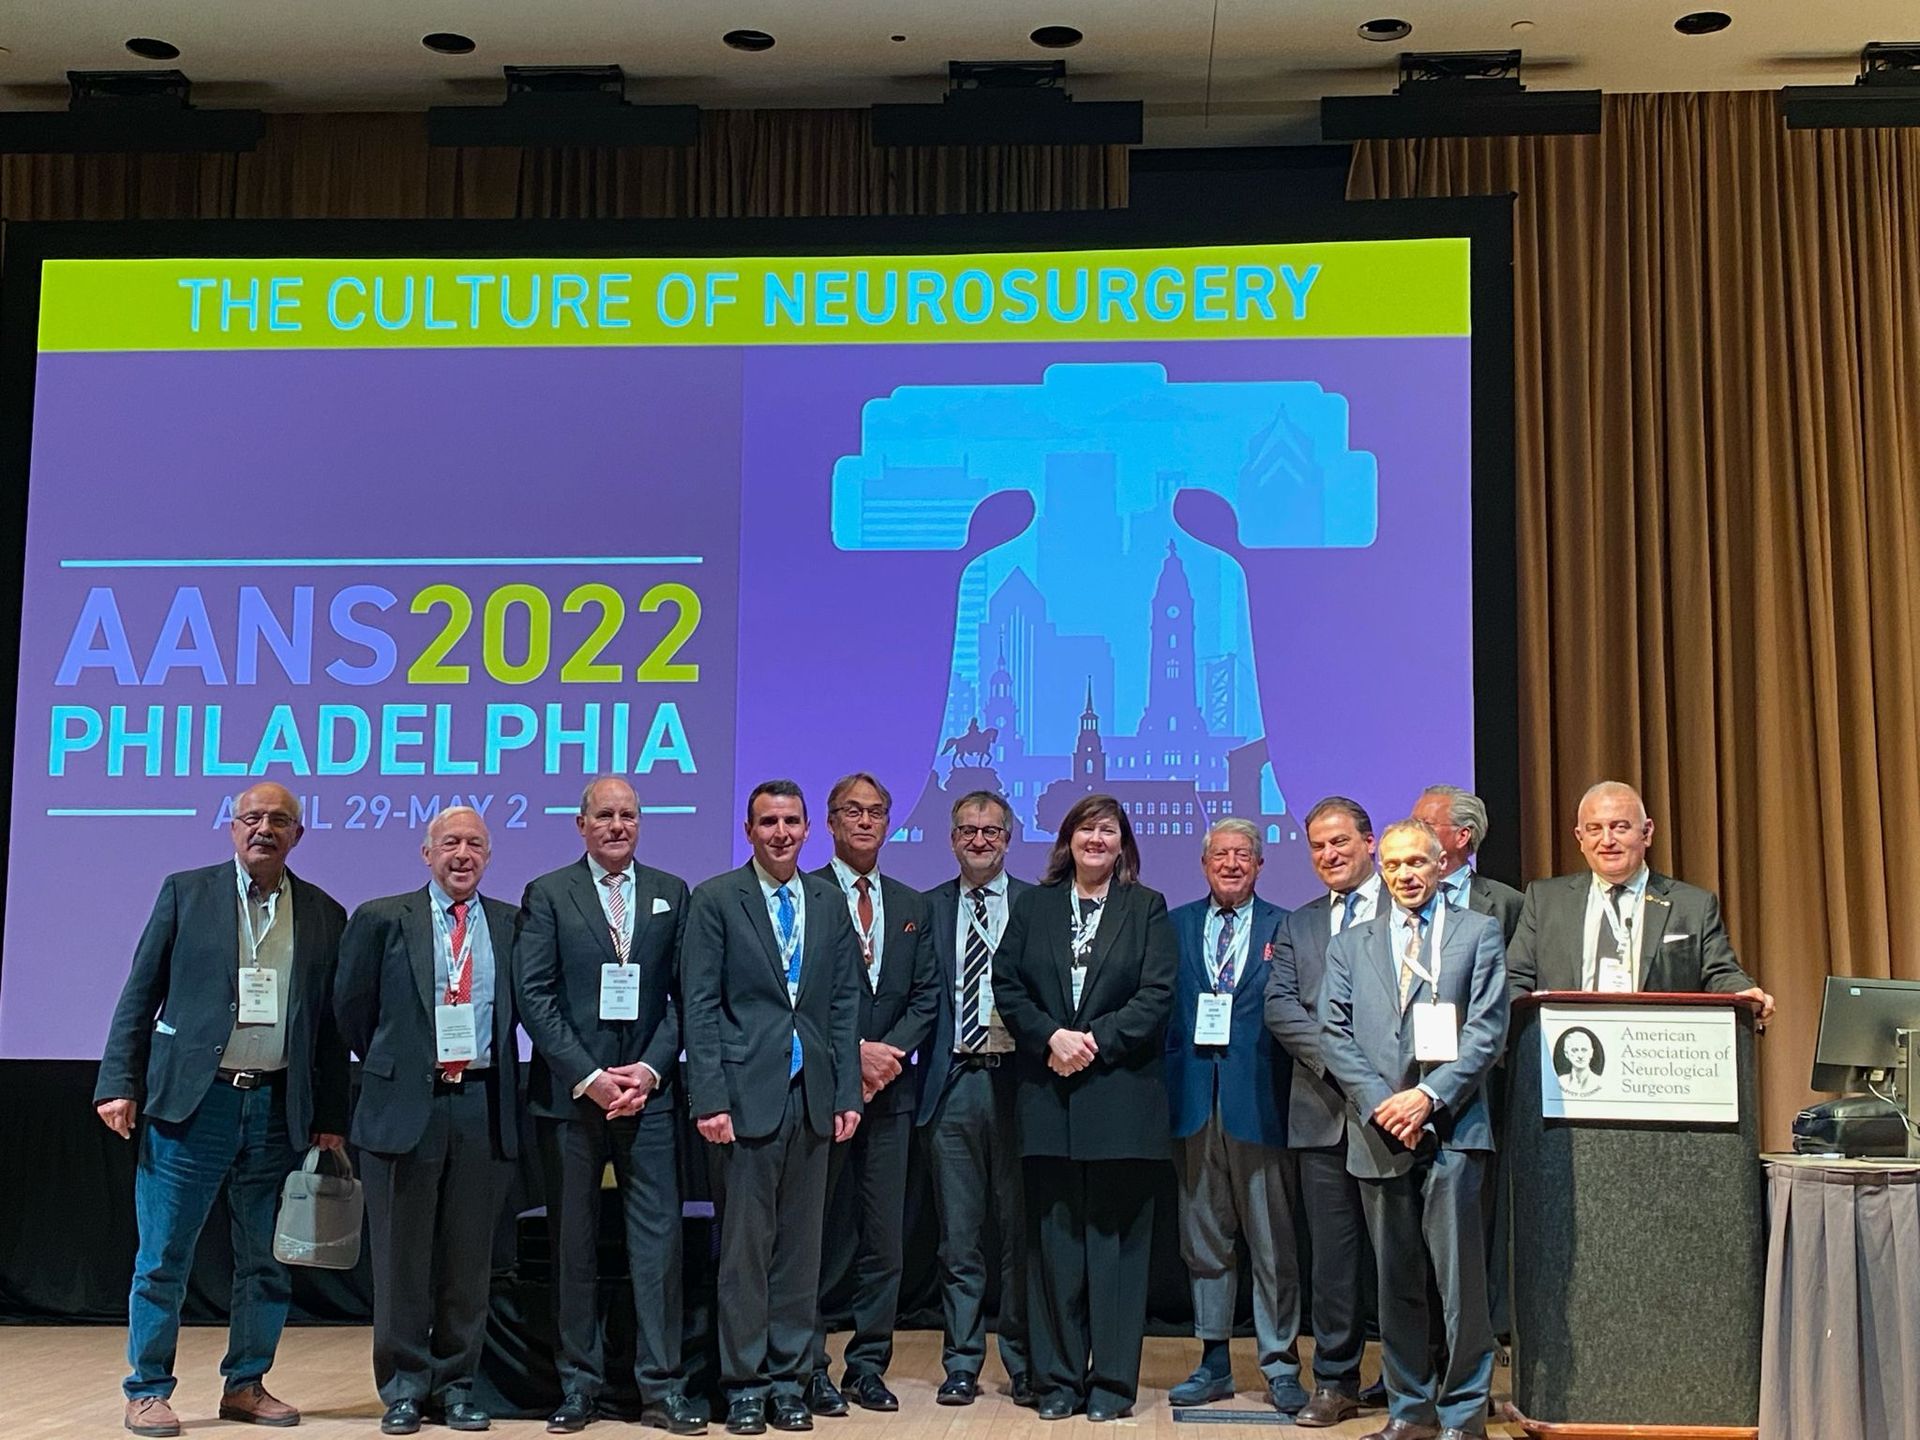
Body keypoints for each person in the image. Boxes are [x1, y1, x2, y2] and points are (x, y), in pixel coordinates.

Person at [95, 783, 349, 1440]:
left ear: (299, 834)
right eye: (253, 818)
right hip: (192, 1102)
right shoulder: (187, 892)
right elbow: (139, 993)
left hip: (277, 1107)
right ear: (232, 828)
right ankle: (147, 1389)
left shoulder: (324, 912)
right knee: (164, 1255)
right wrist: (117, 1082)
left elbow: (327, 1029)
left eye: (279, 820)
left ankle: (247, 1384)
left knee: (266, 1259)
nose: (264, 828)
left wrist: (330, 1112)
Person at [515, 777, 703, 1436]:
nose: (617, 825)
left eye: (628, 815)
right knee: (575, 1248)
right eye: (605, 815)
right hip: (571, 1101)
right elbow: (533, 995)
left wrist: (648, 1072)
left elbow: (687, 997)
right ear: (581, 824)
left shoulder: (670, 894)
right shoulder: (548, 894)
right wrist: (591, 1076)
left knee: (659, 1247)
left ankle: (662, 1387)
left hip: (648, 1100)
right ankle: (579, 1386)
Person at [681, 780, 863, 1437]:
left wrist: (846, 1092)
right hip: (742, 1099)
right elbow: (698, 1008)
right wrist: (709, 1097)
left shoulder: (826, 900)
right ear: (749, 830)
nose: (780, 832)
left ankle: (789, 1381)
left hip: (811, 1097)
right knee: (743, 1253)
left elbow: (843, 1007)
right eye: (768, 822)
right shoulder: (716, 900)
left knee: (799, 1253)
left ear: (809, 829)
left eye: (791, 821)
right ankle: (745, 1386)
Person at [334, 806, 520, 1436]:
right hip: (402, 1104)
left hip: (481, 1102)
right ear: (427, 853)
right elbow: (351, 1009)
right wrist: (399, 1063)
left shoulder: (510, 924)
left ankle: (459, 1385)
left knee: (468, 1260)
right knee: (400, 1259)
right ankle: (405, 1387)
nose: (462, 854)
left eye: (474, 844)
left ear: (488, 856)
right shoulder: (384, 918)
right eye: (449, 844)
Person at [991, 793, 1177, 1423]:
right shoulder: (1036, 906)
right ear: (1066, 839)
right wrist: (1051, 1037)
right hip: (1048, 1098)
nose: (1096, 839)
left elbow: (1157, 994)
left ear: (1123, 842)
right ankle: (1059, 1381)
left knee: (1118, 1252)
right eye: (1085, 829)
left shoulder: (1146, 908)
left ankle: (1113, 1386)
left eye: (1108, 830)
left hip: (1121, 1099)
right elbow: (1007, 983)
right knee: (1053, 1249)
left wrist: (1094, 1042)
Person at [1320, 819, 1508, 1440]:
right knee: (1396, 1284)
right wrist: (1384, 1105)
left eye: (1417, 864)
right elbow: (1334, 1034)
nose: (1405, 875)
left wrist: (1427, 1097)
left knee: (1459, 1289)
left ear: (1440, 866)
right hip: (1379, 1133)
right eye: (1395, 866)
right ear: (1383, 870)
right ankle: (1410, 1411)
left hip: (1452, 1129)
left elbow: (1487, 1031)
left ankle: (1463, 1415)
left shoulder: (1478, 934)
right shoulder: (1351, 943)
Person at [803, 773, 939, 1416]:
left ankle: (868, 1364)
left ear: (889, 822)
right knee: (819, 1236)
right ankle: (809, 1363)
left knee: (884, 1242)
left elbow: (927, 997)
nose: (864, 821)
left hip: (890, 1096)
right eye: (851, 812)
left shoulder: (914, 904)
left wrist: (884, 1056)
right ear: (830, 822)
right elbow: (796, 996)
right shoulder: (804, 896)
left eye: (876, 812)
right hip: (822, 1096)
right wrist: (849, 1055)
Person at [1164, 819, 1308, 1416]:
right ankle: (1214, 1361)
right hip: (1195, 1100)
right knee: (1204, 1238)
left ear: (1259, 864)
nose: (1230, 863)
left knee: (1272, 1243)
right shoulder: (1174, 925)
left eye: (1242, 854)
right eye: (1220, 854)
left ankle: (1279, 1366)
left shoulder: (1287, 926)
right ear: (1204, 865)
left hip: (1261, 1101)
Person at [1262, 796, 1384, 1429]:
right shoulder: (1298, 924)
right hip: (1321, 1110)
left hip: (1394, 1112)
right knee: (1332, 1262)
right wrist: (1341, 1064)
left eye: (1340, 842)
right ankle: (1335, 1381)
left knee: (1401, 1255)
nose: (1329, 855)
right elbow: (1281, 1007)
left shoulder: (1409, 909)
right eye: (1317, 846)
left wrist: (1376, 1078)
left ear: (1369, 842)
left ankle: (1409, 1378)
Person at [915, 791, 1035, 1408]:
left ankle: (1020, 1362)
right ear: (952, 837)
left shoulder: (1037, 905)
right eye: (968, 831)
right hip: (952, 1082)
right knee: (959, 1240)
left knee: (1019, 1237)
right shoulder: (927, 907)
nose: (980, 840)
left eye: (991, 831)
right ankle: (961, 1361)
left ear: (1008, 838)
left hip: (1019, 1085)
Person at [1506, 781, 1775, 1019]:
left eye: (1619, 827)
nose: (1607, 840)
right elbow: (1514, 980)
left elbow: (1720, 973)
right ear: (1580, 838)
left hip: (1655, 1056)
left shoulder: (1692, 906)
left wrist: (1744, 994)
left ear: (1646, 833)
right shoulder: (1545, 901)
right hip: (1567, 1052)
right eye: (1594, 829)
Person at [1412, 783, 1522, 1346]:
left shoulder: (1503, 905)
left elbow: (1514, 994)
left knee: (1468, 1234)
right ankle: (1416, 1363)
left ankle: (1469, 1363)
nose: (1415, 839)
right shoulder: (1394, 900)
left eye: (1425, 826)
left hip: (1477, 1090)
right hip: (1404, 1092)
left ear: (1462, 837)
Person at [1411, 786, 1523, 943]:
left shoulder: (1508, 903)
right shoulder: (1389, 894)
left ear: (1462, 836)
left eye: (1426, 825)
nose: (1412, 832)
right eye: (1412, 824)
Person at [1551, 1027, 1605, 1098]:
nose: (1580, 1056)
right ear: (1566, 1054)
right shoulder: (1561, 1081)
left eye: (1584, 1050)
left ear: (1591, 1053)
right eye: (1575, 1050)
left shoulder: (1600, 1082)